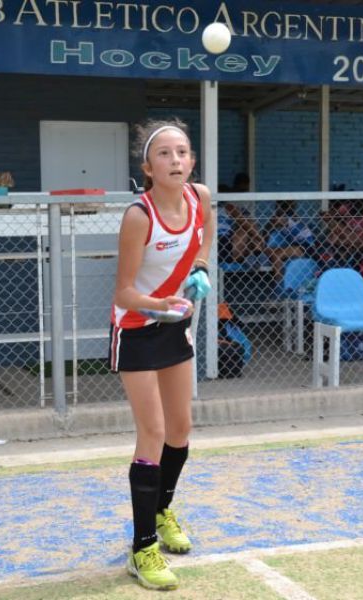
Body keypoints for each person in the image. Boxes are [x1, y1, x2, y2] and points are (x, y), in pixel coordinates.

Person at [109, 118, 214, 591]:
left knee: (181, 430)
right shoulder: (139, 215)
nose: (177, 161)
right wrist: (161, 306)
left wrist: (201, 267)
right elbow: (125, 293)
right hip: (136, 328)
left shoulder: (200, 198)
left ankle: (163, 509)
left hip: (175, 324)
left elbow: (205, 236)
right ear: (147, 167)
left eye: (183, 153)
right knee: (151, 433)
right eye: (166, 154)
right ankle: (143, 547)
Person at [216, 173, 265, 264]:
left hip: (217, 244)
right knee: (247, 228)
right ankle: (256, 254)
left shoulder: (210, 207)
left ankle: (255, 255)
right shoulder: (229, 207)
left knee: (247, 226)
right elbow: (244, 222)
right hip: (222, 243)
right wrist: (259, 237)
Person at [264, 199, 315, 280]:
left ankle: (279, 283)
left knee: (277, 254)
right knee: (270, 251)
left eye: (278, 207)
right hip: (296, 244)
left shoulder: (285, 218)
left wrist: (272, 223)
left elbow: (268, 229)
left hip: (307, 246)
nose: (276, 209)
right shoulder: (290, 217)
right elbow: (267, 230)